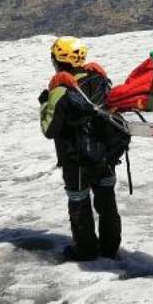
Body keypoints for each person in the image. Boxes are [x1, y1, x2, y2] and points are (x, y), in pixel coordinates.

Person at [38, 36, 122, 261]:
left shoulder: (59, 89)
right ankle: (110, 248)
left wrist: (45, 103)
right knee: (107, 200)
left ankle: (85, 251)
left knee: (79, 202)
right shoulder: (100, 79)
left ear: (58, 60)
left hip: (75, 159)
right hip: (105, 155)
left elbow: (49, 129)